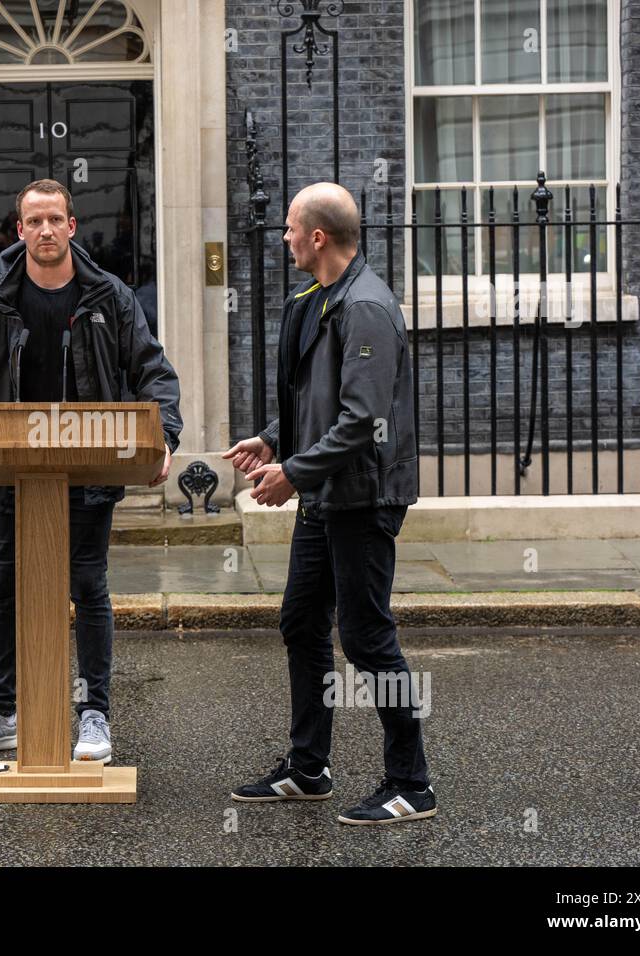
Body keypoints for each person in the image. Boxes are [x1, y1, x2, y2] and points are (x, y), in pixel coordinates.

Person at [0, 179, 182, 765]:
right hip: (12, 474)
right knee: (5, 590)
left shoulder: (110, 298)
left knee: (88, 589)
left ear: (71, 226)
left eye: (53, 220)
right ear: (19, 231)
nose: (44, 231)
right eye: (32, 221)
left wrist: (165, 435)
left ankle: (93, 716)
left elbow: (153, 373)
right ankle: (4, 713)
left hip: (89, 473)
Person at [223, 182, 435, 824]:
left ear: (318, 237)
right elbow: (320, 402)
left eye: (290, 227)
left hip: (362, 496)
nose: (283, 237)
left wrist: (291, 472)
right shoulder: (320, 299)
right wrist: (273, 440)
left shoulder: (365, 306)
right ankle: (308, 768)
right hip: (328, 493)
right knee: (301, 623)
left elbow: (362, 419)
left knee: (368, 639)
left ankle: (412, 782)